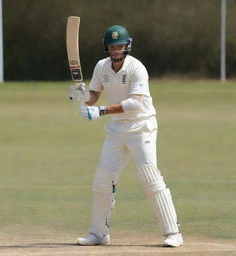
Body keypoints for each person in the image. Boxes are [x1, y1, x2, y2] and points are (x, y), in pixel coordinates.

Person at [69, 25, 183, 247]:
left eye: (120, 46)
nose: (116, 50)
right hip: (117, 130)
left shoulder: (136, 68)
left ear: (127, 46)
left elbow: (135, 103)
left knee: (149, 176)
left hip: (142, 127)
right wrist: (81, 95)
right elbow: (93, 95)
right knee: (103, 179)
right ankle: (98, 233)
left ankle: (173, 233)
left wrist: (101, 111)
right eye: (112, 46)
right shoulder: (101, 66)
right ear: (107, 48)